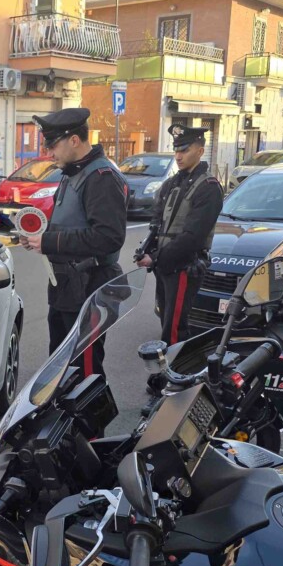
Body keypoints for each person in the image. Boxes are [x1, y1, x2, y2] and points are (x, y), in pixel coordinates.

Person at [18, 107, 127, 377]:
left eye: (53, 145)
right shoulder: (73, 173)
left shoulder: (100, 177)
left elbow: (108, 237)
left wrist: (49, 242)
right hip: (68, 289)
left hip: (89, 288)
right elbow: (69, 225)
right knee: (61, 367)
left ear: (74, 140)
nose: (49, 153)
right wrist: (38, 240)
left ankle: (89, 421)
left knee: (84, 372)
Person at [136, 124, 224, 365]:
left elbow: (193, 237)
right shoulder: (172, 183)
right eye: (176, 150)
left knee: (174, 330)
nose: (178, 156)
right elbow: (157, 224)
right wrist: (147, 249)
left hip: (184, 267)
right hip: (165, 266)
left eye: (184, 150)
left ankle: (172, 381)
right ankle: (173, 378)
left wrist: (156, 257)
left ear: (200, 150)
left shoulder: (208, 188)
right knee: (166, 322)